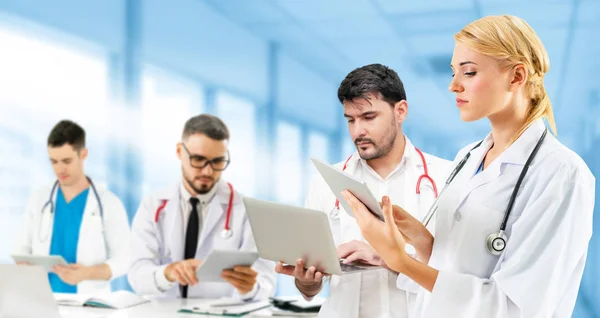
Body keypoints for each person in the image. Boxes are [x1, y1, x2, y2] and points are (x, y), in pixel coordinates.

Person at [343, 15, 595, 318]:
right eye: (453, 72)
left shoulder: (562, 174)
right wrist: (421, 239)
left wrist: (403, 263)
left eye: (469, 72)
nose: (453, 86)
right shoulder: (469, 156)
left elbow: (517, 308)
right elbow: (458, 267)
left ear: (516, 77)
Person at [275, 64, 452, 317]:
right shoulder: (326, 181)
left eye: (369, 117)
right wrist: (307, 282)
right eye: (351, 120)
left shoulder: (445, 178)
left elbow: (455, 278)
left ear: (400, 111)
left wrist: (389, 259)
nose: (358, 131)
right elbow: (310, 288)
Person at [128, 114, 276, 300]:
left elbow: (267, 282)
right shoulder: (153, 206)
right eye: (198, 159)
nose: (208, 171)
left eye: (217, 162)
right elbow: (137, 274)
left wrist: (251, 288)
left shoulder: (248, 211)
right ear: (179, 151)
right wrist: (167, 273)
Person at [12, 120, 131, 294]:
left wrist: (87, 273)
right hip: (42, 301)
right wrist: (24, 266)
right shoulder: (39, 199)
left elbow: (125, 259)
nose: (60, 169)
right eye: (54, 161)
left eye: (67, 161)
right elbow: (20, 248)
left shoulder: (108, 203)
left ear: (83, 154)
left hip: (88, 304)